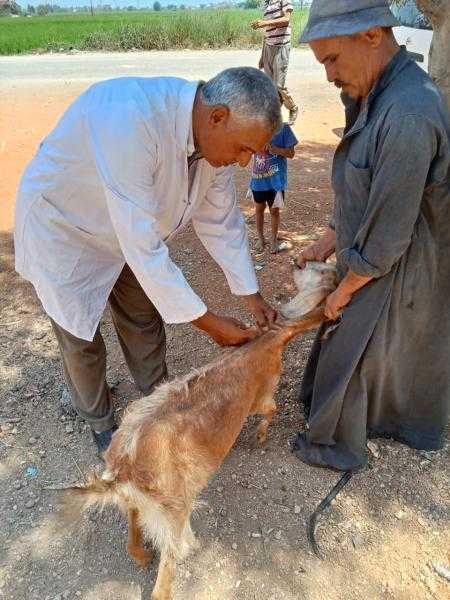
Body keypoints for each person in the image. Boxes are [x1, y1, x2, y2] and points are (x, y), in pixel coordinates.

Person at [14, 67, 281, 454]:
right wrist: (209, 324)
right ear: (216, 117)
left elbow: (221, 220)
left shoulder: (214, 147)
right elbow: (143, 248)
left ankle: (159, 407)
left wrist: (251, 296)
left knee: (143, 318)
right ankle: (102, 424)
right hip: (65, 227)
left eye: (251, 153)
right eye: (242, 148)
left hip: (124, 230)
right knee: (80, 336)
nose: (243, 162)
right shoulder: (130, 119)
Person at [292, 0, 450, 472]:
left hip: (403, 258)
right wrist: (331, 234)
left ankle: (346, 443)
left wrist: (344, 287)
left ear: (372, 35)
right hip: (377, 249)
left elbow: (387, 233)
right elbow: (362, 183)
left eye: (332, 61)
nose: (328, 77)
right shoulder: (372, 92)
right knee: (356, 343)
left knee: (358, 341)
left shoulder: (407, 113)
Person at [250, 122, 298, 253]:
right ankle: (260, 239)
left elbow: (291, 153)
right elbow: (247, 148)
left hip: (276, 181)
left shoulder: (284, 129)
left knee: (274, 211)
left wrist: (275, 149)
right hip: (259, 180)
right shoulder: (255, 127)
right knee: (259, 209)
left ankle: (273, 240)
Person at [251, 0, 299, 125]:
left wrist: (264, 23)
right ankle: (273, 115)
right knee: (269, 84)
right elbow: (267, 32)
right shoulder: (267, 3)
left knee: (279, 85)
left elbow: (286, 19)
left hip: (281, 46)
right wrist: (262, 56)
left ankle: (293, 107)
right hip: (268, 47)